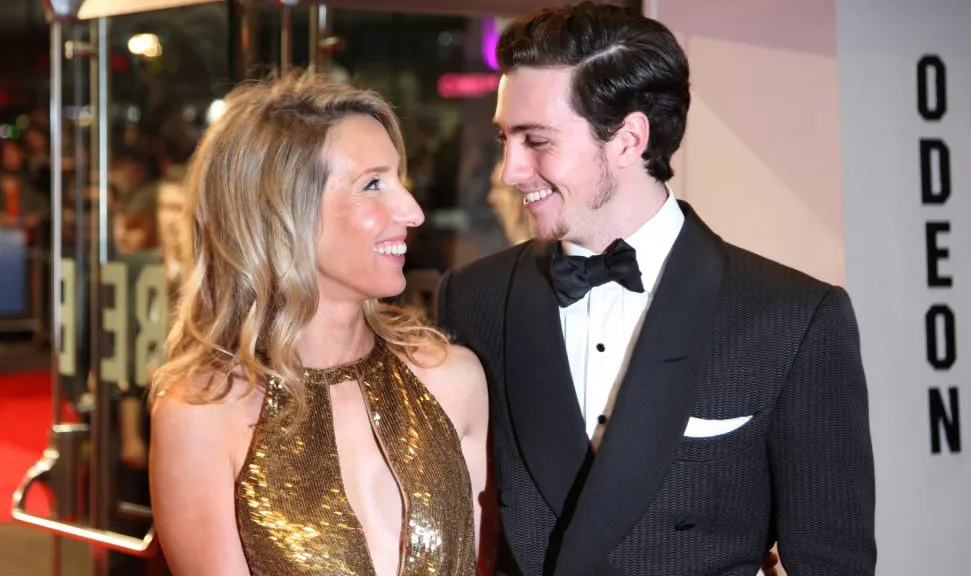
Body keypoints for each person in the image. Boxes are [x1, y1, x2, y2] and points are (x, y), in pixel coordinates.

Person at [435, 3, 876, 575]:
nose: (510, 171)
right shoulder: (472, 299)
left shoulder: (792, 317)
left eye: (536, 141)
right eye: (504, 139)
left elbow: (832, 561)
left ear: (628, 139)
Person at [149, 70, 488, 576]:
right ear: (283, 211)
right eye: (373, 184)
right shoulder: (203, 412)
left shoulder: (452, 379)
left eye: (400, 179)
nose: (413, 211)